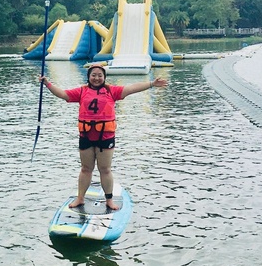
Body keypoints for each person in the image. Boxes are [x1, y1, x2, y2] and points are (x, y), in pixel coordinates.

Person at [40, 65, 168, 210]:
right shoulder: (82, 91)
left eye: (100, 75)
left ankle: (109, 200)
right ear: (88, 77)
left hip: (105, 136)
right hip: (86, 135)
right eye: (93, 75)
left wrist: (151, 84)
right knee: (86, 169)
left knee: (105, 169)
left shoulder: (111, 91)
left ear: (104, 77)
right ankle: (80, 198)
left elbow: (132, 88)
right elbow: (63, 94)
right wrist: (47, 84)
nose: (96, 78)